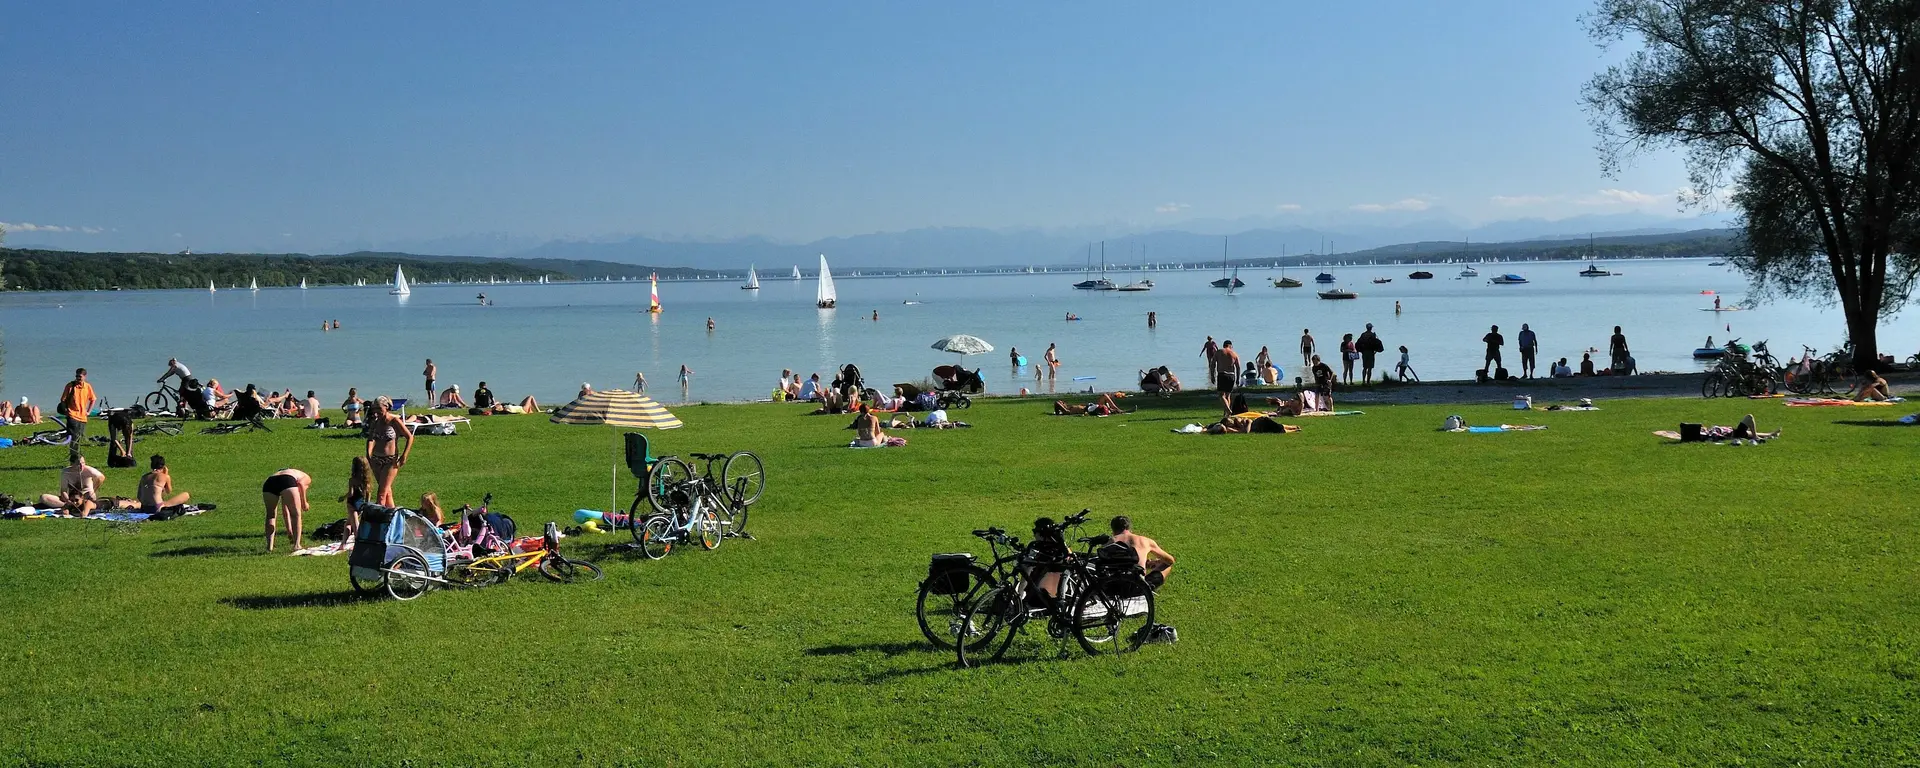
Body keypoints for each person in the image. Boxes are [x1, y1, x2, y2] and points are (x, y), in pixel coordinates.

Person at [364, 396, 413, 506]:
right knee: (387, 491)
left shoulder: (394, 421)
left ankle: (378, 517)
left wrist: (404, 456)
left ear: (386, 407)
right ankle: (392, 515)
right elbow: (371, 439)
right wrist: (369, 454)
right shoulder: (375, 422)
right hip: (376, 460)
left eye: (379, 409)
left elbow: (409, 437)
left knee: (381, 493)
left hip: (390, 461)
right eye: (374, 409)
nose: (376, 412)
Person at [1108, 515, 1175, 589]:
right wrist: (1155, 563)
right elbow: (1170, 560)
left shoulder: (1109, 542)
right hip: (1137, 587)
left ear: (1113, 531)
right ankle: (1148, 590)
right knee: (1167, 565)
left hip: (1113, 587)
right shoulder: (1144, 541)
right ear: (1129, 528)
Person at [40, 453, 105, 516]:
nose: (82, 466)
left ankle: (73, 507)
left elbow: (101, 477)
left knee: (91, 497)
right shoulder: (66, 472)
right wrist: (67, 500)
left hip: (86, 498)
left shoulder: (88, 470)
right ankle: (70, 506)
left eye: (83, 463)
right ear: (72, 464)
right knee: (44, 497)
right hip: (71, 499)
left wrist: (93, 490)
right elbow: (63, 491)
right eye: (78, 464)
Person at [58, 368, 96, 464]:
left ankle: (77, 458)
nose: (78, 378)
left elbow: (93, 399)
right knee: (74, 437)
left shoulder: (87, 387)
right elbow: (63, 400)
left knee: (79, 437)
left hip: (83, 417)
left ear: (84, 376)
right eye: (76, 376)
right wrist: (66, 411)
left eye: (80, 376)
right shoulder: (70, 386)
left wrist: (88, 411)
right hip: (72, 415)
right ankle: (75, 458)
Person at [339, 458, 372, 540]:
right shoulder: (366, 480)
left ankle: (358, 541)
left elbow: (351, 494)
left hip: (352, 504)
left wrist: (343, 497)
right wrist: (366, 504)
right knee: (348, 523)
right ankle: (343, 543)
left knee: (353, 525)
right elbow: (368, 493)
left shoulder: (352, 480)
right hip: (361, 504)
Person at [1214, 340, 1241, 416]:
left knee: (1221, 395)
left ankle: (1228, 410)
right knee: (1228, 395)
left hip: (1222, 374)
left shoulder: (1219, 352)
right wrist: (1238, 379)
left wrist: (1212, 375)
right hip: (1231, 375)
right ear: (1230, 345)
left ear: (1224, 345)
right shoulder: (1234, 354)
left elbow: (1213, 364)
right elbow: (1238, 367)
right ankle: (1226, 414)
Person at [1056, 393, 1125, 415]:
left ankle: (1116, 409)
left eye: (1062, 402)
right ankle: (1117, 410)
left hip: (1092, 407)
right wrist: (1058, 412)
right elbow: (1056, 403)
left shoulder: (1070, 407)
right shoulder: (1067, 411)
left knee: (1105, 396)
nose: (1063, 402)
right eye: (1062, 403)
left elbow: (1057, 403)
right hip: (1091, 409)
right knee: (1105, 396)